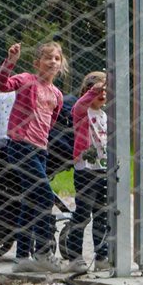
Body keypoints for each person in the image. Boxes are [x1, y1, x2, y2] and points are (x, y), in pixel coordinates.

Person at [0, 40, 77, 273]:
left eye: (57, 58)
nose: (52, 61)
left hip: (40, 149)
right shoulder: (26, 80)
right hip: (20, 146)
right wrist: (10, 62)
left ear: (61, 65)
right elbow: (1, 85)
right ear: (37, 62)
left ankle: (21, 259)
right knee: (45, 197)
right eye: (48, 57)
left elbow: (52, 121)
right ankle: (43, 252)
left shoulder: (57, 95)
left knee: (30, 202)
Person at [61, 71, 111, 266]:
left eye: (105, 91)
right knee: (83, 214)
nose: (103, 94)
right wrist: (94, 90)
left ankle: (102, 256)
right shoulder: (81, 111)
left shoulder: (105, 115)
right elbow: (80, 105)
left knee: (102, 215)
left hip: (103, 170)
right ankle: (75, 257)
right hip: (86, 171)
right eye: (99, 90)